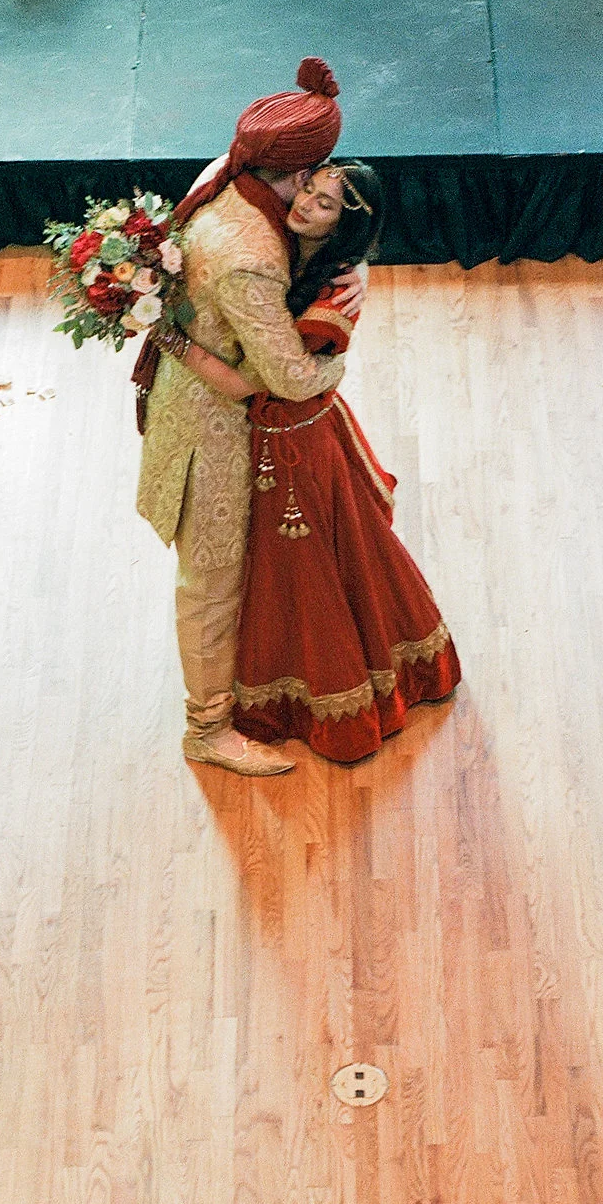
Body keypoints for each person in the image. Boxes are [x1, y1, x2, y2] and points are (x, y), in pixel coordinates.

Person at [157, 162, 461, 764]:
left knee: (315, 569)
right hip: (282, 434)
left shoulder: (329, 291)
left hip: (296, 444)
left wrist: (168, 338)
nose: (307, 204)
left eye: (325, 205)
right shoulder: (287, 245)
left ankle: (329, 699)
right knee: (295, 567)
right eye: (311, 188)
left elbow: (262, 385)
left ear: (345, 226)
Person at [133, 57, 358, 778]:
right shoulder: (252, 256)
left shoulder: (222, 179)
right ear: (297, 169)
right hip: (213, 434)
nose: (323, 182)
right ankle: (206, 731)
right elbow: (289, 377)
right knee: (211, 582)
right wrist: (339, 361)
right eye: (318, 169)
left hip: (190, 393)